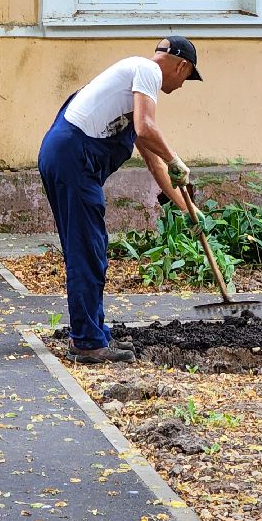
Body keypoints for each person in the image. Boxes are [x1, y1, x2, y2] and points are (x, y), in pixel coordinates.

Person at [39, 37, 201, 363]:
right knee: (87, 251)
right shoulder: (147, 71)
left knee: (90, 249)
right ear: (182, 66)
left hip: (65, 155)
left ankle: (93, 334)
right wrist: (177, 160)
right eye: (187, 78)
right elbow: (146, 128)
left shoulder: (132, 89)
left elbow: (153, 160)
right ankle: (87, 343)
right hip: (73, 157)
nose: (182, 85)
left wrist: (189, 210)